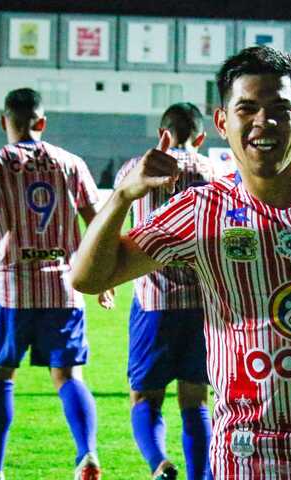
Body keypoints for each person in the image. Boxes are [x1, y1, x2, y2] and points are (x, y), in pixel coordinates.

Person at [71, 46, 291, 480]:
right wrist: (123, 195)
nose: (264, 122)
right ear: (222, 123)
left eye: (280, 109)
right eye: (247, 108)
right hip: (249, 460)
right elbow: (88, 277)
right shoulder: (201, 210)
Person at [0, 88, 103, 480]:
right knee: (68, 376)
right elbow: (97, 222)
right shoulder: (70, 163)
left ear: (5, 122)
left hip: (11, 290)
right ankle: (86, 453)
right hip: (64, 287)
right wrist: (102, 277)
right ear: (41, 122)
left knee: (1, 372)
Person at [112, 102, 215, 480]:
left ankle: (160, 463)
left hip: (154, 303)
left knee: (144, 398)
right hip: (204, 306)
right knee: (196, 400)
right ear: (201, 138)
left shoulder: (138, 170)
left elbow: (111, 230)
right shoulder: (217, 174)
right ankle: (200, 476)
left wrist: (105, 280)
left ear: (163, 134)